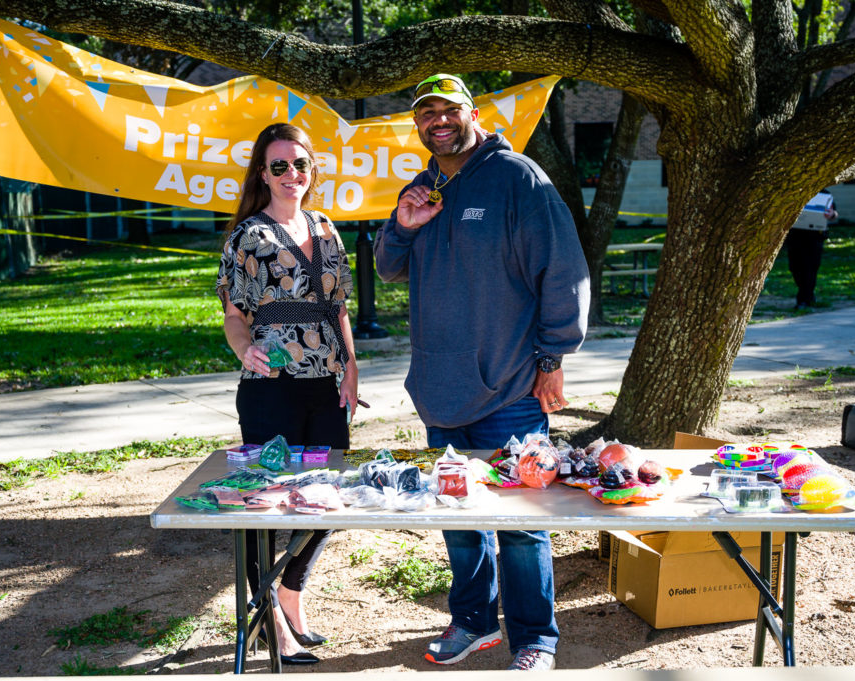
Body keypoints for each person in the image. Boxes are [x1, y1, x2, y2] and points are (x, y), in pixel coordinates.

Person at [374, 74, 590, 671]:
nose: (437, 121)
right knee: (457, 513)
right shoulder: (424, 185)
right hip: (440, 389)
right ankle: (473, 623)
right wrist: (403, 225)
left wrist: (553, 359)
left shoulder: (517, 177)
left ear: (473, 112)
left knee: (520, 524)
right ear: (417, 125)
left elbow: (563, 271)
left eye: (448, 110)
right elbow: (388, 267)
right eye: (425, 114)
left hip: (510, 386)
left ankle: (535, 641)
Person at [216, 122, 359, 665]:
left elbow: (339, 307)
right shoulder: (247, 237)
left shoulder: (326, 228)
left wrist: (351, 368)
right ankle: (270, 623)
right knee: (268, 501)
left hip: (326, 386)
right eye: (279, 166)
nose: (291, 174)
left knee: (325, 494)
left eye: (300, 164)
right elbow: (234, 316)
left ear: (311, 170)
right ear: (263, 173)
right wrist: (243, 350)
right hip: (270, 391)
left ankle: (290, 592)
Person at [786, 189, 838, 310]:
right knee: (794, 268)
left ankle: (803, 300)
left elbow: (834, 213)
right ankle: (808, 295)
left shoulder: (825, 194)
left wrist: (832, 214)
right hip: (795, 236)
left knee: (809, 269)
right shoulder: (796, 189)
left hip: (815, 238)